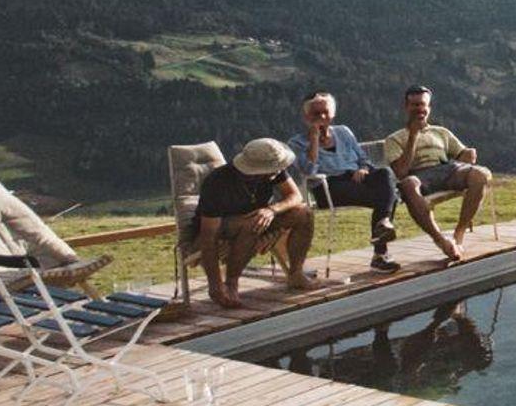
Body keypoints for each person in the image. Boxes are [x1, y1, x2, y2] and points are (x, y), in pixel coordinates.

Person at [289, 90, 457, 273]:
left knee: (385, 173)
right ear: (306, 117)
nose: (321, 117)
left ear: (332, 113)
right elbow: (308, 172)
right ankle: (380, 253)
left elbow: (363, 159)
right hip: (328, 187)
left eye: (325, 112)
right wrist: (314, 140)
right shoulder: (297, 143)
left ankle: (383, 225)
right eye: (316, 114)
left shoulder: (343, 132)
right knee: (389, 196)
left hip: (356, 179)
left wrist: (363, 169)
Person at [191, 138, 316, 310]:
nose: (281, 169)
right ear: (260, 170)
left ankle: (296, 273)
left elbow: (295, 196)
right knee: (252, 223)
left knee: (304, 213)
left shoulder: (274, 172)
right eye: (277, 167)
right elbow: (208, 236)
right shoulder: (218, 182)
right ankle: (231, 283)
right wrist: (214, 284)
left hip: (259, 217)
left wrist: (272, 210)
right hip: (223, 225)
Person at [384, 86, 491, 257]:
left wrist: (468, 154)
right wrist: (413, 136)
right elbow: (401, 172)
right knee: (408, 184)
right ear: (406, 107)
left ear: (429, 108)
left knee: (480, 175)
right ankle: (441, 241)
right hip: (419, 176)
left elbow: (461, 154)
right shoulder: (394, 139)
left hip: (446, 170)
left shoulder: (441, 132)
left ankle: (459, 234)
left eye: (423, 105)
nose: (419, 109)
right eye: (415, 105)